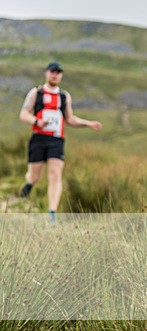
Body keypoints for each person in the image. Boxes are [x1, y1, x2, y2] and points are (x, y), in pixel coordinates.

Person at [18, 62, 103, 221]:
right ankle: (29, 184)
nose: (55, 75)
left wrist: (88, 123)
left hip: (56, 140)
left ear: (61, 75)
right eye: (52, 72)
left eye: (58, 72)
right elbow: (23, 114)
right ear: (46, 73)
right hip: (38, 138)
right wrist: (36, 121)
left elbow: (70, 119)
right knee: (35, 176)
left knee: (55, 174)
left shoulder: (64, 96)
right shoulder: (36, 93)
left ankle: (52, 213)